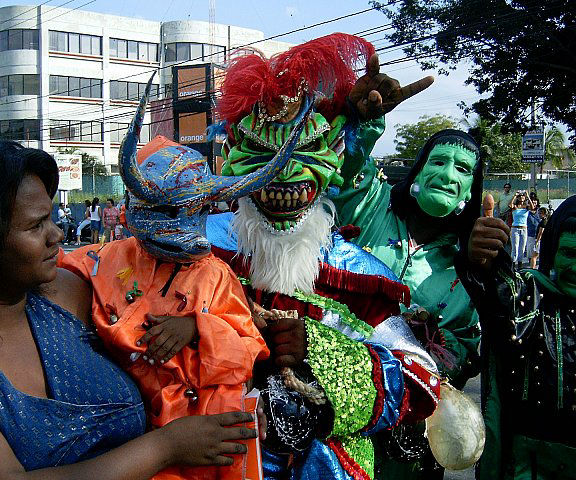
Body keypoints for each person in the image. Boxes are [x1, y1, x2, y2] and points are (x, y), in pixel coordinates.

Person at [0, 140, 258, 480]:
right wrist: (165, 448)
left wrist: (228, 407)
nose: (57, 234)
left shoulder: (70, 292)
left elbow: (186, 358)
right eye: (36, 226)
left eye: (51, 219)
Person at [207, 34, 442, 480]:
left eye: (302, 153)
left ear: (333, 152)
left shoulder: (358, 274)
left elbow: (422, 378)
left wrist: (320, 350)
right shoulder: (201, 251)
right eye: (262, 153)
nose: (283, 172)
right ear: (228, 155)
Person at [61, 82, 306, 480]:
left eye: (196, 209)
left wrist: (197, 326)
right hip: (129, 430)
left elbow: (250, 346)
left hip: (207, 435)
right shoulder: (106, 257)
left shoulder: (214, 273)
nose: (186, 230)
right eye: (170, 211)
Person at [332, 128, 483, 478]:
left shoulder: (469, 259)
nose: (447, 175)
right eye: (439, 161)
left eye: (462, 169)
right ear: (417, 170)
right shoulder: (372, 206)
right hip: (336, 406)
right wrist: (365, 123)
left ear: (471, 190)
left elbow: (470, 348)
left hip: (410, 430)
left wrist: (438, 348)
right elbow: (345, 168)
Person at [456, 195, 576, 480]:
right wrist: (482, 259)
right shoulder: (534, 297)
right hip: (528, 466)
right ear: (552, 252)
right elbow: (500, 296)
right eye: (570, 253)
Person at [509, 191, 531, 269]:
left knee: (522, 248)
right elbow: (510, 205)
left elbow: (532, 207)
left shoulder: (526, 207)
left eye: (523, 196)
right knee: (515, 248)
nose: (521, 197)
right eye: (520, 196)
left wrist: (528, 196)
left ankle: (520, 266)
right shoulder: (515, 207)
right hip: (515, 228)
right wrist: (515, 195)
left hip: (524, 229)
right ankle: (512, 265)